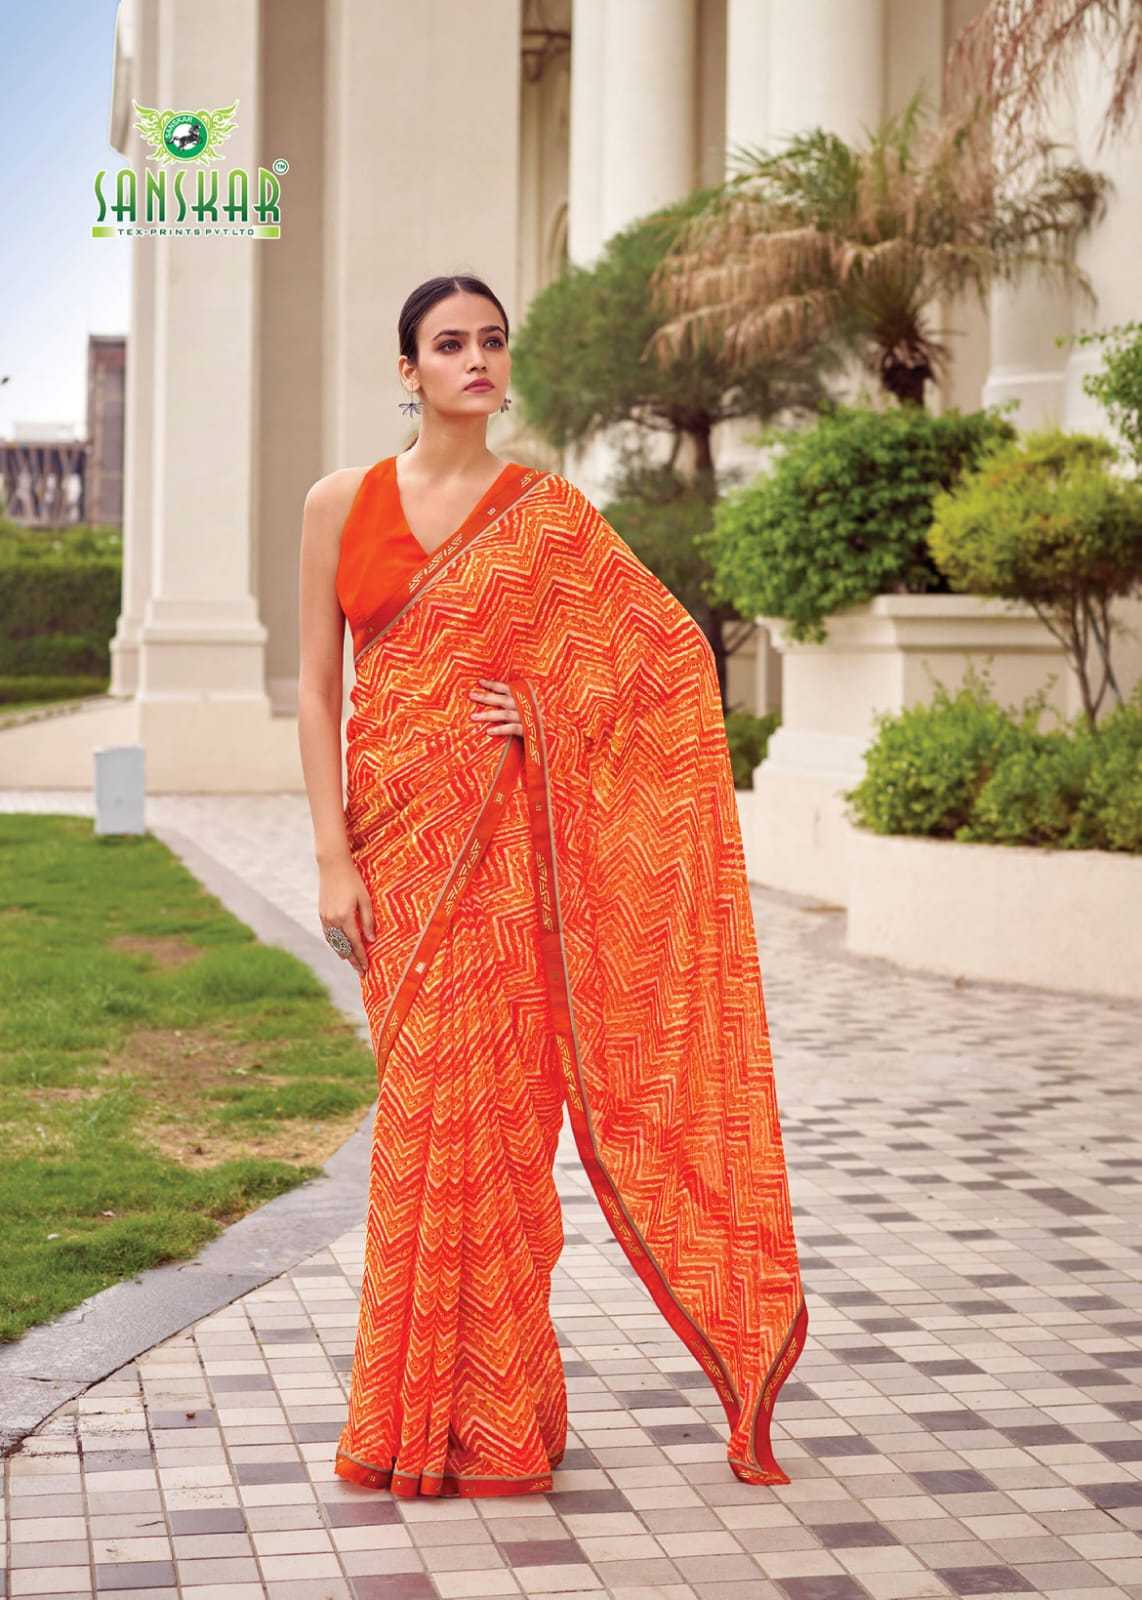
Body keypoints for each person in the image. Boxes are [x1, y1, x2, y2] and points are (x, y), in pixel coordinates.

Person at [296, 273, 806, 1500]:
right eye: (448, 344)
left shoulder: (549, 516)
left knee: (502, 1135)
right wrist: (329, 855)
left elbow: (666, 666)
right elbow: (316, 686)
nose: (476, 359)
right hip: (397, 848)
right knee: (421, 1124)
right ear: (407, 369)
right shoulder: (338, 501)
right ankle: (408, 1414)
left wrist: (548, 707)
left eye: (491, 341)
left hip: (510, 860)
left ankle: (498, 1415)